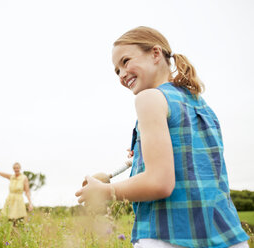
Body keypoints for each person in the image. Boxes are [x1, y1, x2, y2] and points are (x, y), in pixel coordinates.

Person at [75, 26, 249, 248]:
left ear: (156, 54)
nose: (121, 74)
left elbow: (160, 182)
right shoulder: (202, 105)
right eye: (116, 70)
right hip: (228, 236)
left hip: (169, 234)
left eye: (125, 61)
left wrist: (106, 191)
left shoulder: (149, 99)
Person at [0, 158, 33, 225]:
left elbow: (27, 191)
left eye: (17, 168)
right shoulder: (11, 177)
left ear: (20, 168)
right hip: (10, 201)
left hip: (19, 201)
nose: (16, 169)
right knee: (9, 221)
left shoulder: (24, 178)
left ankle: (17, 233)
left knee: (18, 221)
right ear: (13, 169)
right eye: (14, 168)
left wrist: (30, 203)